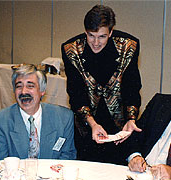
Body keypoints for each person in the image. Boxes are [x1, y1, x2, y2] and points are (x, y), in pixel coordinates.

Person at [61, 5, 142, 164]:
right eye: (91, 36)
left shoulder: (128, 46)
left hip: (120, 124)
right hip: (88, 125)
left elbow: (132, 88)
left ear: (111, 32)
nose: (96, 42)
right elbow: (76, 94)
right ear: (85, 32)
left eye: (102, 37)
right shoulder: (71, 49)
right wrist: (92, 123)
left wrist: (131, 118)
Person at [0, 64, 76, 160]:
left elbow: (67, 157)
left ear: (42, 91)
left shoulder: (64, 118)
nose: (23, 92)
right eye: (19, 86)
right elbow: (2, 163)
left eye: (30, 86)